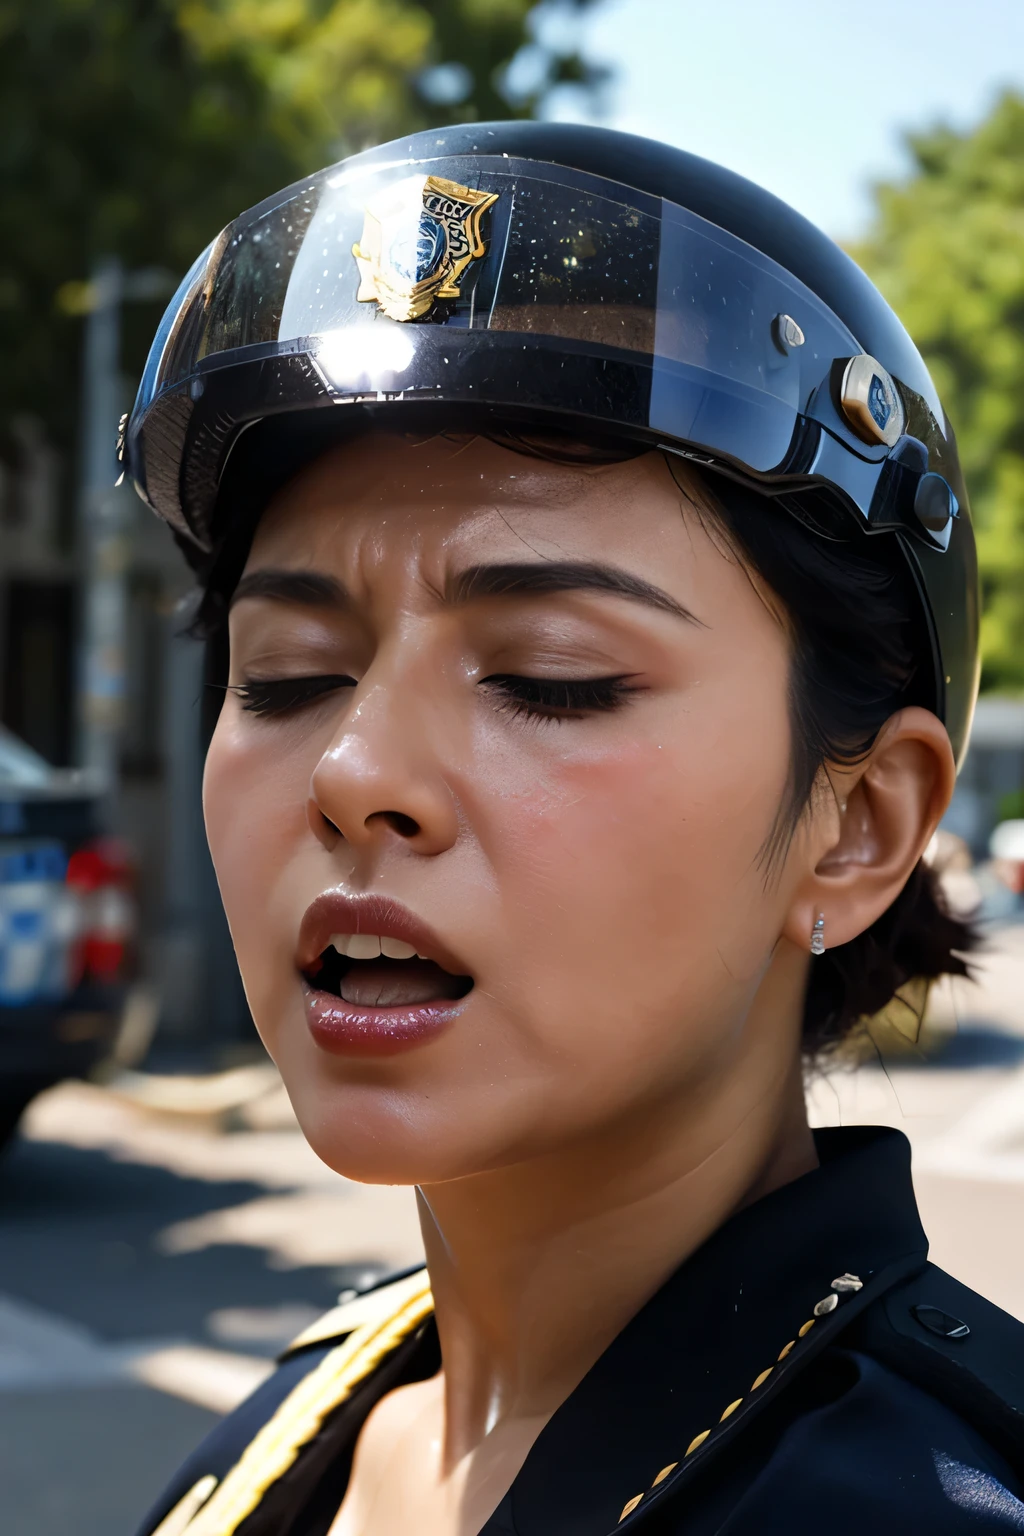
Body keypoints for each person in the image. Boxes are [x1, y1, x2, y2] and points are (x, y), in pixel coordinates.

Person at [126, 122, 1024, 1536]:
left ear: (861, 825)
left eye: (549, 677)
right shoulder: (288, 1439)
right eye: (288, 674)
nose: (357, 771)